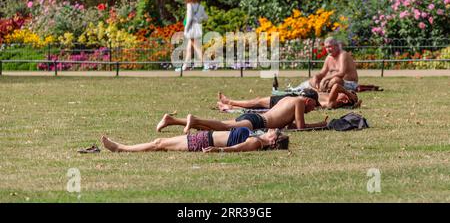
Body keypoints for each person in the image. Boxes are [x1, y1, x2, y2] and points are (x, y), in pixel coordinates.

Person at [156, 95, 327, 133]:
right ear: (307, 99)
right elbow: (300, 127)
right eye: (314, 104)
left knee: (216, 128)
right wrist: (320, 125)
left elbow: (288, 125)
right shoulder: (298, 102)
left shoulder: (287, 99)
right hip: (258, 122)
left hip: (254, 118)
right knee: (223, 127)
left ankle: (172, 120)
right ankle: (194, 119)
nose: (313, 108)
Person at [101, 127, 289, 153]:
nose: (274, 130)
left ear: (273, 142)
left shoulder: (257, 142)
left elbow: (238, 147)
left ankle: (121, 148)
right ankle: (121, 147)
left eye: (276, 133)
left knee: (159, 144)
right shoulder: (257, 136)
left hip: (202, 142)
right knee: (160, 142)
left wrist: (219, 150)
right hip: (203, 137)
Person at [217, 85, 361, 111]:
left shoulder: (332, 103)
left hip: (292, 101)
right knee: (259, 103)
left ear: (346, 99)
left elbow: (336, 85)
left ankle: (230, 102)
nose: (347, 91)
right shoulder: (330, 97)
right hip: (293, 98)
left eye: (348, 93)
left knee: (259, 102)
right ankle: (230, 105)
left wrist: (349, 94)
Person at [291, 37, 359, 92]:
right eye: (326, 47)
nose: (327, 49)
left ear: (336, 46)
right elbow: (322, 72)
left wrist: (325, 78)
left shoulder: (343, 55)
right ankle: (295, 90)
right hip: (330, 81)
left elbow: (341, 73)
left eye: (329, 47)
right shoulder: (329, 57)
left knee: (335, 80)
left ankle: (319, 90)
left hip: (349, 83)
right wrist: (316, 77)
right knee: (312, 80)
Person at [176, 0, 209, 72]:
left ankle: (206, 65)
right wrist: (198, 19)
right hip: (197, 27)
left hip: (191, 28)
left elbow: (189, 18)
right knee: (189, 49)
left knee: (197, 47)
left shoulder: (189, 5)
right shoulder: (201, 6)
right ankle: (184, 67)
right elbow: (206, 17)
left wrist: (186, 30)